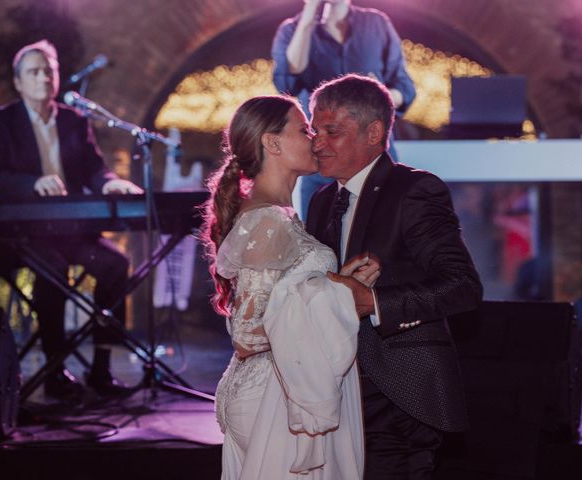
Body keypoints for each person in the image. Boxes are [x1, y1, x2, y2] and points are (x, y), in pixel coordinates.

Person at [306, 74, 483, 479]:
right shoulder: (321, 200)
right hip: (340, 389)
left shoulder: (414, 190)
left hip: (401, 389)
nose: (318, 142)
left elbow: (463, 286)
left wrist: (375, 303)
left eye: (331, 131)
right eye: (315, 130)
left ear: (374, 132)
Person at [201, 95, 380, 479]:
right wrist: (338, 296)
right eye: (304, 129)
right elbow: (246, 335)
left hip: (277, 387)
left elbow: (283, 296)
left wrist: (335, 284)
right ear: (272, 143)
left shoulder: (279, 215)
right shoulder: (268, 221)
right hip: (273, 394)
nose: (314, 138)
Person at [0, 40, 142, 400]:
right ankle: (55, 370)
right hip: (23, 235)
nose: (43, 77)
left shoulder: (74, 120)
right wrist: (32, 184)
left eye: (49, 70)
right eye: (34, 71)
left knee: (116, 265)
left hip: (71, 230)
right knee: (52, 271)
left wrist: (112, 182)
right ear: (18, 81)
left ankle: (101, 368)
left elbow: (94, 170)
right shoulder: (0, 123)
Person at [272, 0, 416, 220]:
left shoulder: (376, 23)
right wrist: (309, 14)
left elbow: (405, 88)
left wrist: (379, 94)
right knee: (320, 238)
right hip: (322, 159)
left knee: (383, 231)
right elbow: (286, 82)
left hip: (372, 155)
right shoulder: (292, 29)